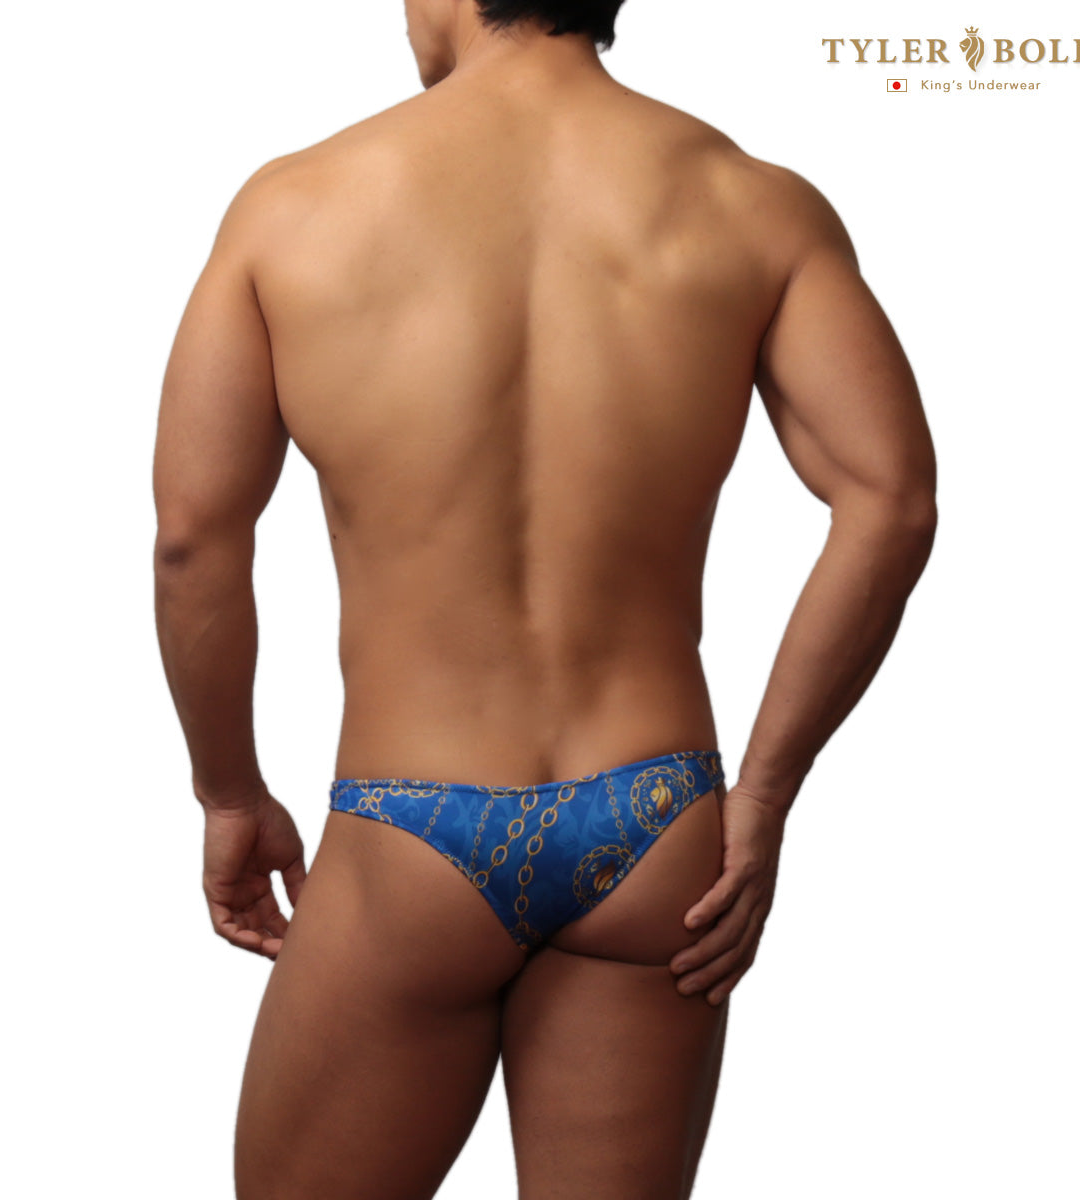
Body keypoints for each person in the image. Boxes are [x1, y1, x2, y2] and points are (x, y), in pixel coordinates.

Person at [152, 1, 937, 1196]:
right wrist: (766, 789)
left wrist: (228, 791)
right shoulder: (752, 202)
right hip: (656, 821)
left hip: (407, 828)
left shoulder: (293, 207)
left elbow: (194, 543)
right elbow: (892, 499)